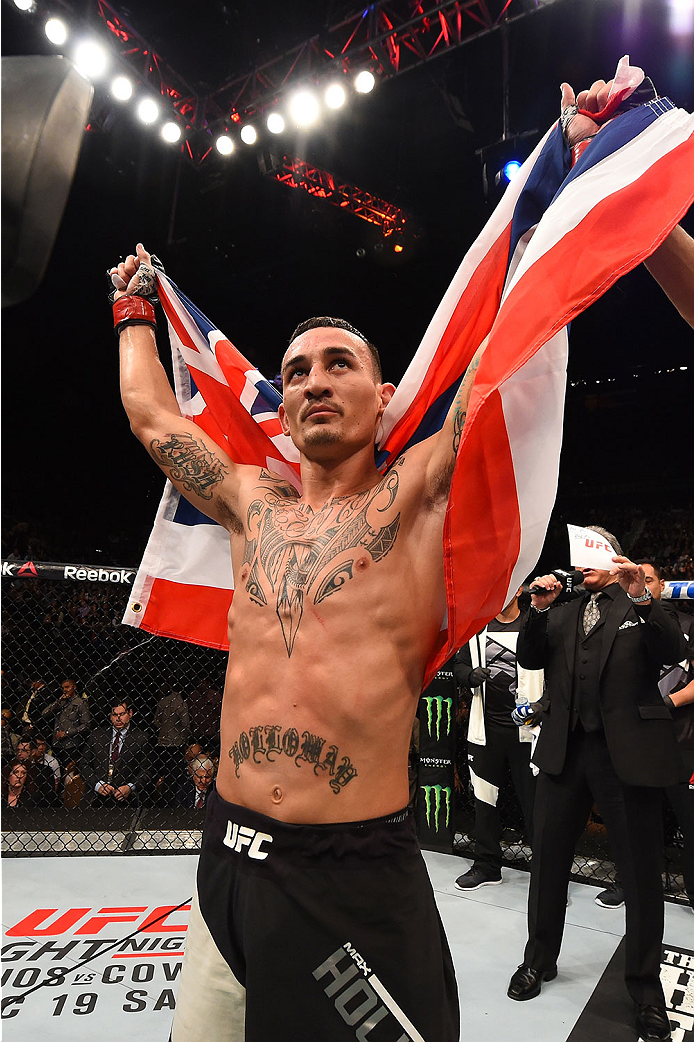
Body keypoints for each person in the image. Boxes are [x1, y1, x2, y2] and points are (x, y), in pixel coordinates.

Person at [110, 74, 691, 1041]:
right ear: (283, 410)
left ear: (385, 397)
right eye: (296, 373)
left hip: (351, 873)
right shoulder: (251, 501)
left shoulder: (417, 492)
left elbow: (506, 337)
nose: (314, 383)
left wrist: (567, 161)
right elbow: (148, 412)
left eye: (340, 365)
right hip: (226, 858)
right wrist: (134, 310)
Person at [507, 526, 686, 1042]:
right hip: (566, 754)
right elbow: (530, 658)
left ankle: (647, 991)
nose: (581, 561)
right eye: (578, 553)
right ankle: (539, 961)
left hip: (624, 758)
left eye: (591, 552)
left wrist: (640, 597)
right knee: (546, 864)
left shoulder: (637, 603)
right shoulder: (560, 608)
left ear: (611, 557)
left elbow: (671, 650)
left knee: (641, 878)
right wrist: (537, 608)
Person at [594, 559, 694, 910]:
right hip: (634, 737)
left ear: (661, 585)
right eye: (635, 578)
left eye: (648, 579)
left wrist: (663, 703)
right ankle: (628, 884)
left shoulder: (687, 625)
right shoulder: (618, 623)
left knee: (688, 818)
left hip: (680, 736)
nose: (641, 583)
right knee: (635, 818)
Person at [453, 587, 541, 891]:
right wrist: (470, 675)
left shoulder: (534, 625)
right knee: (484, 800)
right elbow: (458, 666)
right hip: (485, 729)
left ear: (519, 589)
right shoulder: (478, 627)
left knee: (535, 806)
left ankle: (545, 877)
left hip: (528, 732)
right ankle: (488, 865)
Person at [80, 699, 152, 805]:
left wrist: (130, 787)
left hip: (128, 799)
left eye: (122, 714)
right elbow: (83, 764)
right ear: (110, 716)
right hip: (96, 797)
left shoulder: (142, 738)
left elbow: (147, 770)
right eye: (114, 714)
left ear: (130, 713)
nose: (118, 718)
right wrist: (97, 785)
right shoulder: (97, 735)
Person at [41, 678, 91, 768]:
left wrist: (67, 733)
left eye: (67, 687)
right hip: (57, 744)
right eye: (63, 688)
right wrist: (58, 702)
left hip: (72, 744)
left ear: (74, 687)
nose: (65, 690)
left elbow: (86, 725)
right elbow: (44, 714)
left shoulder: (80, 703)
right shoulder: (60, 702)